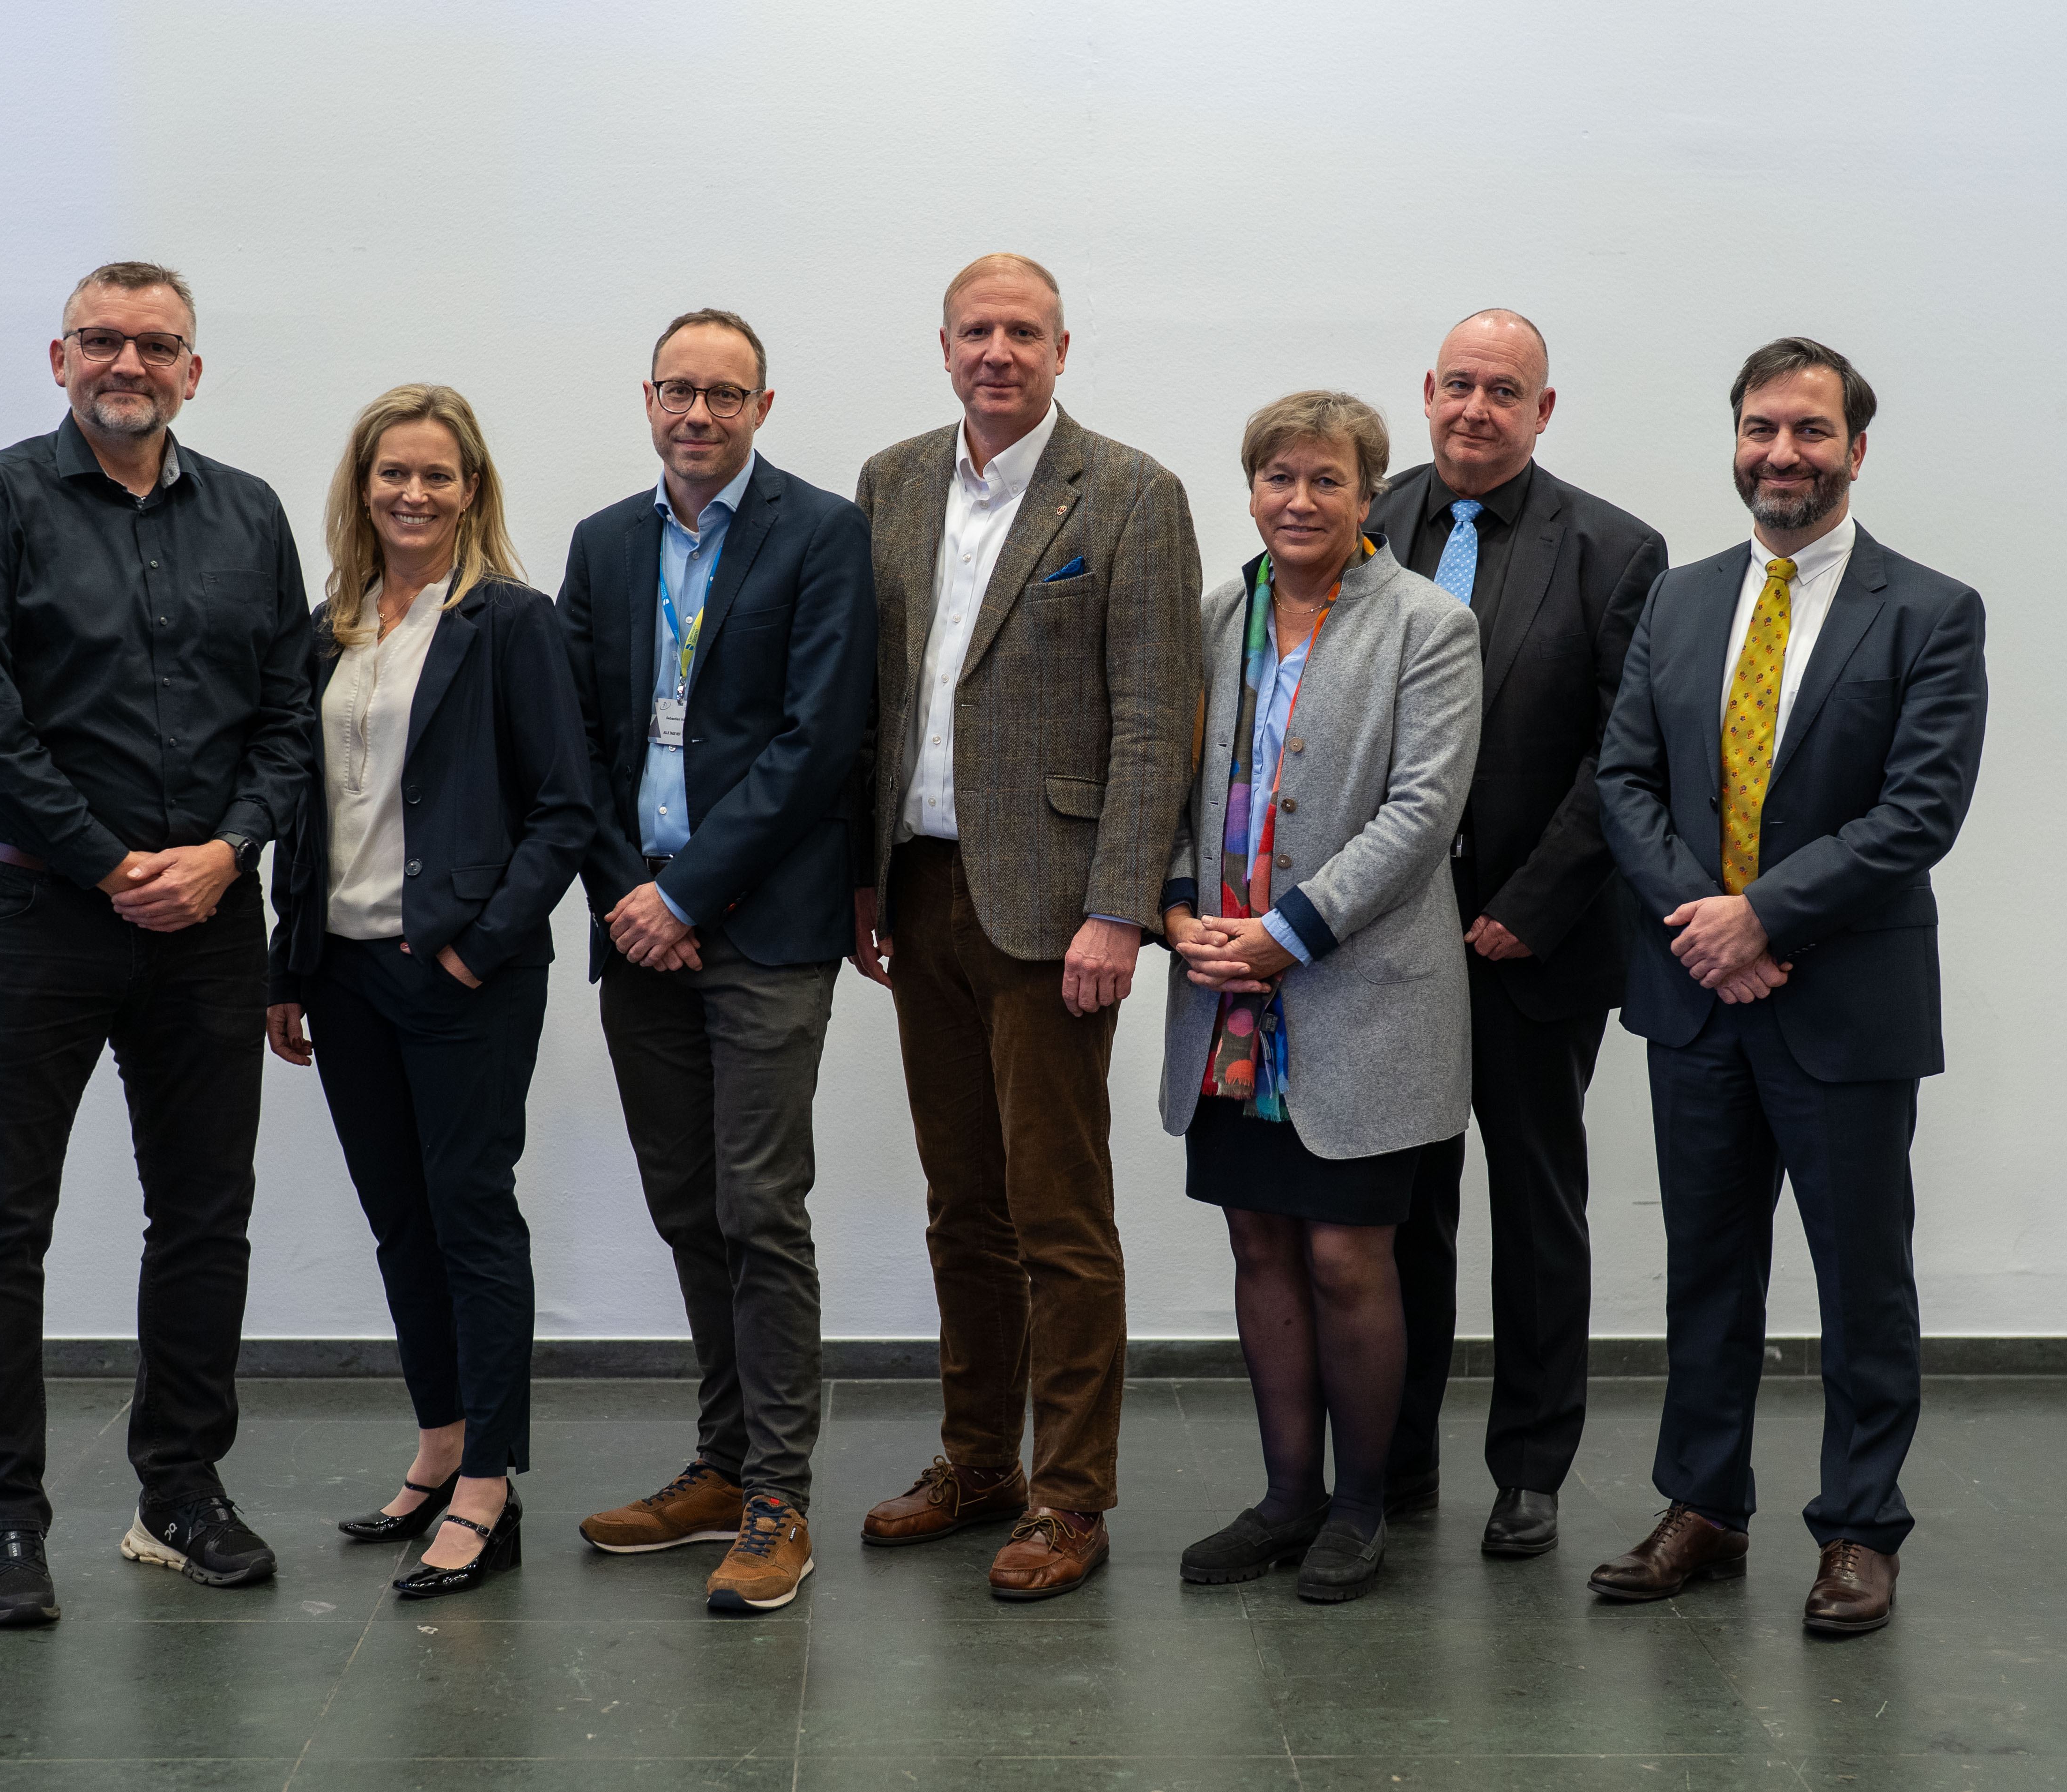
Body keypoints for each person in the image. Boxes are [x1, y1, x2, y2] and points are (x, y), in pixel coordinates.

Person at [0, 261, 313, 1624]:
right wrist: (107, 862)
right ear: (59, 358)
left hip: (207, 920)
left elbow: (288, 718)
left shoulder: (251, 514)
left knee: (203, 1215)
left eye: (156, 344)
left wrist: (227, 850)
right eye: (102, 340)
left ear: (194, 370)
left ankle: (180, 1492)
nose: (127, 363)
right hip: (28, 912)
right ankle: (2, 1523)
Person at [1591, 338, 1987, 1634]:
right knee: (1706, 1268)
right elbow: (1625, 781)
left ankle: (1861, 1526)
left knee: (1862, 1279)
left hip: (1845, 1007)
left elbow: (1918, 812)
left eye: (1811, 431)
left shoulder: (1930, 611)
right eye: (1762, 427)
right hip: (1694, 996)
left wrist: (1761, 915)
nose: (1782, 453)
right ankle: (1703, 1506)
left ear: (1855, 450)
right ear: (1736, 440)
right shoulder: (1681, 599)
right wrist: (1705, 928)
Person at [851, 253, 1202, 1601]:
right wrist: (862, 876)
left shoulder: (1130, 493)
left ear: (1062, 351)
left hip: (1055, 910)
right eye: (975, 331)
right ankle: (976, 1462)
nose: (997, 351)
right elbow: (876, 695)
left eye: (1023, 332)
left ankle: (1070, 1494)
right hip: (919, 886)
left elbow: (1155, 718)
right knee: (961, 1207)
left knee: (1058, 1214)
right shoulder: (891, 483)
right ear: (943, 347)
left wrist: (1119, 907)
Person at [558, 308, 878, 1614]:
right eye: (678, 391)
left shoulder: (822, 533)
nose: (699, 414)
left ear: (762, 407)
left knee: (758, 1206)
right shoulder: (604, 544)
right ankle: (723, 1461)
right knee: (687, 1205)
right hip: (639, 925)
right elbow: (575, 745)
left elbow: (818, 740)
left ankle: (778, 1498)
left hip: (761, 928)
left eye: (725, 395)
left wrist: (685, 893)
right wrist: (629, 894)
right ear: (647, 399)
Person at [263, 385, 593, 1600]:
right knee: (400, 1219)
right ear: (362, 489)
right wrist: (286, 966)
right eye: (391, 473)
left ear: (471, 491)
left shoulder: (509, 621)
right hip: (341, 972)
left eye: (436, 475)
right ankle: (440, 1444)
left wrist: (478, 945)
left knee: (470, 1216)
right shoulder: (329, 629)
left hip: (459, 976)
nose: (412, 493)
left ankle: (490, 1487)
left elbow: (565, 808)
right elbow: (303, 811)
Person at [1159, 392, 1482, 1602]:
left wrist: (1285, 935)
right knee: (1260, 1243)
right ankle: (1286, 1496)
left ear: (1368, 495)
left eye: (1326, 480)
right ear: (1250, 488)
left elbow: (1422, 812)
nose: (1299, 500)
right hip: (1223, 995)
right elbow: (1167, 780)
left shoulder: (1429, 625)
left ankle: (1361, 1505)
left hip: (1360, 992)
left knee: (1349, 1254)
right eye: (1277, 477)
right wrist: (1177, 909)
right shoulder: (1212, 617)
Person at [1359, 311, 1668, 1556]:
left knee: (1536, 1209)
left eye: (1504, 391)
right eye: (1458, 386)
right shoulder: (1363, 516)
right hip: (1383, 940)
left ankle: (1531, 1468)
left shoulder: (1614, 551)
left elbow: (1623, 754)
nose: (1475, 409)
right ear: (1426, 393)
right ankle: (1393, 1461)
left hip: (1533, 943)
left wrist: (1525, 908)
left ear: (1543, 412)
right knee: (1400, 1208)